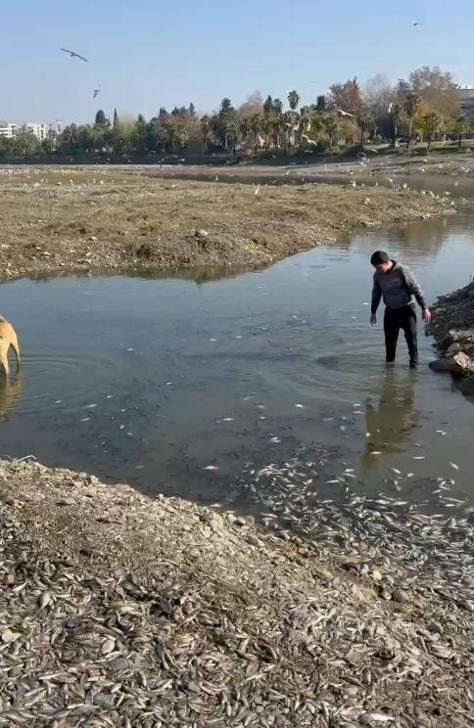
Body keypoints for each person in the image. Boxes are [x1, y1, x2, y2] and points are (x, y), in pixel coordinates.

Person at [369, 250, 431, 368]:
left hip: (407, 310)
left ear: (387, 262)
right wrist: (373, 312)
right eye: (375, 268)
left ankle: (413, 372)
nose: (377, 270)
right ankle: (389, 370)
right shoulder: (377, 275)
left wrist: (425, 308)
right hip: (390, 311)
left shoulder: (403, 271)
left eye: (379, 267)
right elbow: (376, 293)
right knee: (389, 344)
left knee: (411, 341)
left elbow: (416, 289)